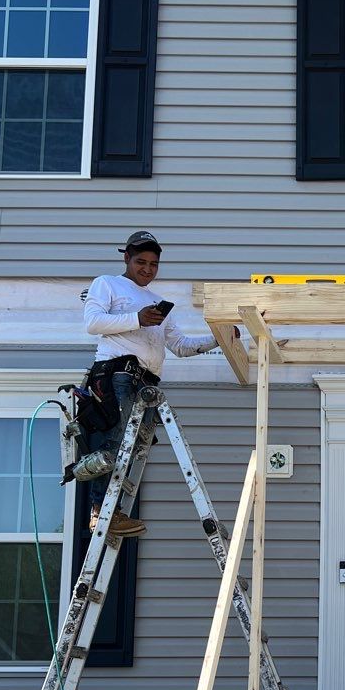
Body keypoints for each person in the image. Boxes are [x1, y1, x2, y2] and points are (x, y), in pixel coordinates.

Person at [77, 230, 220, 537]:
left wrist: (217, 339)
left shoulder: (158, 302)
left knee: (131, 448)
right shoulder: (108, 283)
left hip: (146, 383)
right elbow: (92, 323)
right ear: (126, 258)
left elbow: (179, 345)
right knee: (117, 443)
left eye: (154, 264)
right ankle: (101, 512)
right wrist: (137, 319)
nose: (147, 269)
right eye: (141, 261)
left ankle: (109, 510)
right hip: (118, 373)